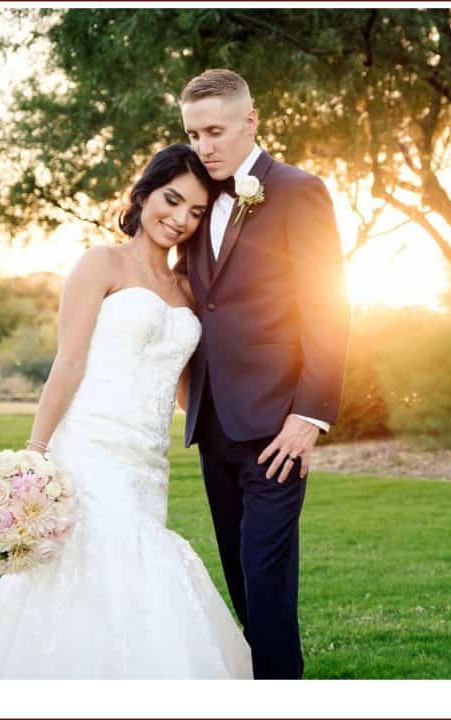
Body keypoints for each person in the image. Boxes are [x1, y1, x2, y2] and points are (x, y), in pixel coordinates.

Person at [0, 144, 252, 679]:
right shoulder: (101, 263)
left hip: (147, 460)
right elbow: (70, 360)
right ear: (145, 192)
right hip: (89, 447)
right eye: (172, 201)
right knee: (105, 563)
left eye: (196, 212)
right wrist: (33, 454)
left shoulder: (188, 290)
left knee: (130, 575)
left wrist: (251, 421)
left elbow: (185, 390)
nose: (179, 219)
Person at [174, 68, 350, 679]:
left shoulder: (299, 191)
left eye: (216, 131)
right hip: (213, 427)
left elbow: (328, 307)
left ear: (252, 120)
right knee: (244, 587)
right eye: (194, 134)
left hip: (278, 430)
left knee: (266, 581)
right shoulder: (196, 199)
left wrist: (309, 417)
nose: (205, 146)